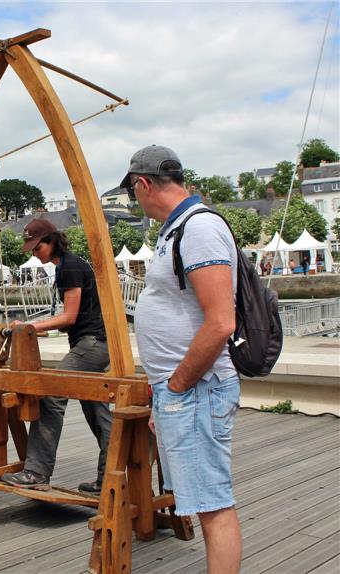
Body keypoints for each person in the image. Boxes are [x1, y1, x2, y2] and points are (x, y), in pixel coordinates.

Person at [122, 145, 241, 574]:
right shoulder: (176, 229)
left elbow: (221, 323)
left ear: (144, 184)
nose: (136, 200)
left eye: (134, 192)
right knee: (200, 499)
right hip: (179, 391)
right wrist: (163, 396)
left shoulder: (198, 228)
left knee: (212, 503)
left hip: (195, 389)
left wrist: (175, 387)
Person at [1, 219, 111, 494]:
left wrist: (27, 327)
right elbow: (70, 320)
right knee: (96, 409)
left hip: (93, 344)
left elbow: (69, 316)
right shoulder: (67, 265)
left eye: (36, 247)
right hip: (95, 343)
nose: (34, 253)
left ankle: (36, 472)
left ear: (51, 242)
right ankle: (109, 477)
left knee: (51, 395)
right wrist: (37, 330)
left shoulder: (70, 267)